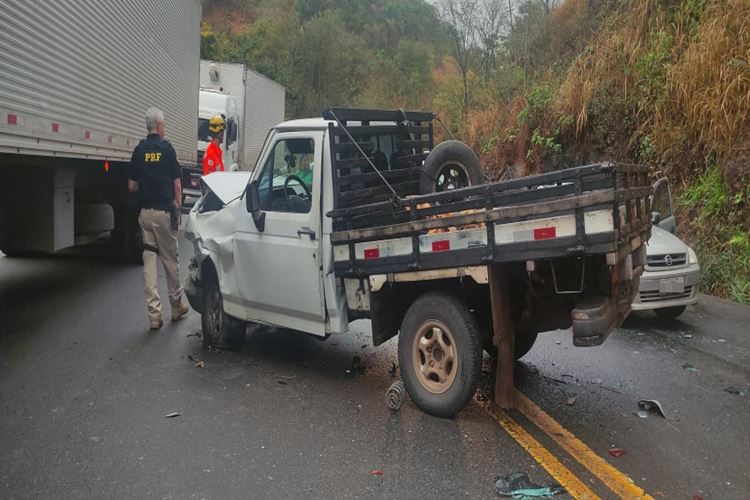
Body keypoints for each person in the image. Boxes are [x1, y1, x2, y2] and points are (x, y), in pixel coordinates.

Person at [128, 107, 189, 330]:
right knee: (170, 259)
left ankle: (154, 314)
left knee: (149, 260)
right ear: (160, 126)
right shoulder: (167, 149)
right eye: (164, 124)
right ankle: (176, 306)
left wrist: (146, 184)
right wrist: (178, 208)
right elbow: (177, 184)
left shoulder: (139, 150)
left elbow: (131, 185)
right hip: (164, 213)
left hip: (145, 215)